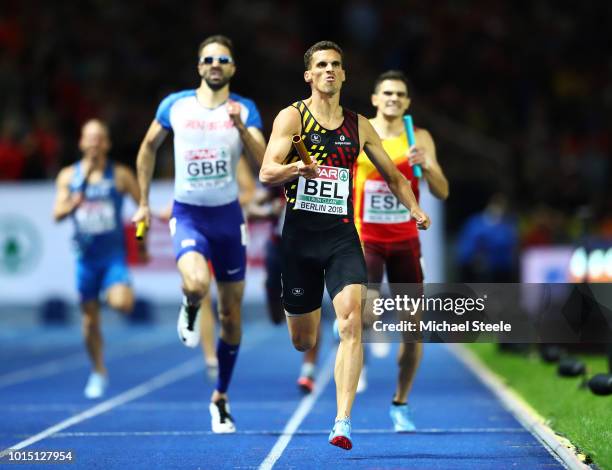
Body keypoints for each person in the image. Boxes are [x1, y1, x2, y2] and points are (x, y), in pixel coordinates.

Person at [259, 41, 430, 450]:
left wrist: (414, 209)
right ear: (309, 75)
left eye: (336, 64)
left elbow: (394, 175)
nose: (330, 70)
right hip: (300, 238)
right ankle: (318, 324)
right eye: (322, 65)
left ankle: (342, 421)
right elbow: (267, 171)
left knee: (352, 322)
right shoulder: (292, 117)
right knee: (304, 339)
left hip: (341, 236)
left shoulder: (358, 125)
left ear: (345, 74)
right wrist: (296, 167)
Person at [132, 35, 265, 433]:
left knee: (231, 316)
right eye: (208, 58)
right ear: (199, 66)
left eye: (223, 59)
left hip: (227, 220)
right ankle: (190, 303)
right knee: (195, 282)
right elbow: (147, 149)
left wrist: (242, 128)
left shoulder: (246, 109)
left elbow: (264, 163)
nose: (215, 64)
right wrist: (142, 201)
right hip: (188, 214)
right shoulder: (176, 106)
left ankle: (220, 397)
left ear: (232, 68)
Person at [353, 70, 449, 431]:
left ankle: (400, 402)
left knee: (413, 330)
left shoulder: (419, 136)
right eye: (387, 93)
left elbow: (441, 190)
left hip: (406, 241)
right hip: (368, 238)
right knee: (366, 314)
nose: (394, 98)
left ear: (407, 102)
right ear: (375, 99)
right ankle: (353, 339)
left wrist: (425, 165)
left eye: (400, 94)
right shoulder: (362, 131)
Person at [53, 119, 142, 399]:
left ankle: (111, 289)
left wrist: (142, 242)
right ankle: (98, 371)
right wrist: (72, 203)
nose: (94, 143)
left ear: (107, 143)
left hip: (113, 256)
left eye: (99, 138)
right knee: (90, 322)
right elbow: (56, 214)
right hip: (86, 261)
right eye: (89, 138)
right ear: (81, 143)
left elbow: (143, 209)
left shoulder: (121, 175)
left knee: (122, 303)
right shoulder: (68, 176)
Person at [157, 157, 257, 379]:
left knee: (228, 305)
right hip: (197, 229)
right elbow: (184, 195)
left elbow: (250, 192)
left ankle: (221, 353)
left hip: (227, 230)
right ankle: (211, 357)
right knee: (201, 292)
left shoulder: (233, 153)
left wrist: (223, 205)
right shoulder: (189, 150)